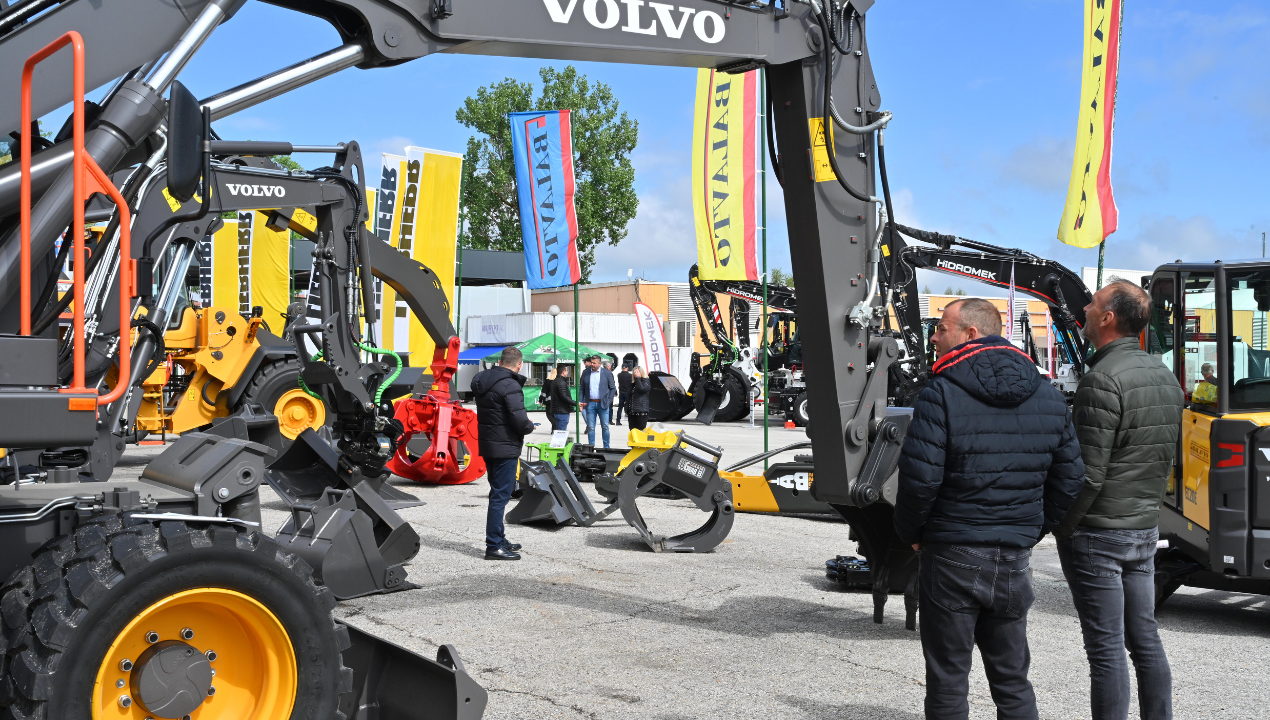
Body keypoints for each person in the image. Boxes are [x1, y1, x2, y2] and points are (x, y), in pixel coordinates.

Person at [894, 297, 1085, 720]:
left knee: (948, 679)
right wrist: (1029, 529)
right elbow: (1071, 478)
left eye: (942, 327)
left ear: (970, 334)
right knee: (1012, 679)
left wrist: (911, 534)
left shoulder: (939, 393)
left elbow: (919, 480)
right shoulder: (1049, 398)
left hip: (951, 553)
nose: (934, 336)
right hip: (1013, 557)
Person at [1055, 279, 1185, 720]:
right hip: (1143, 527)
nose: (1086, 310)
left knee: (1107, 648)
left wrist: (1062, 525)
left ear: (1108, 317)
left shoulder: (1102, 379)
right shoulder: (1165, 377)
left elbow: (1087, 475)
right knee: (1144, 638)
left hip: (1098, 533)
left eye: (1092, 304)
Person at [471, 347, 537, 561]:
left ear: (500, 361)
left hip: (489, 445)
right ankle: (494, 546)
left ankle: (499, 538)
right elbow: (519, 420)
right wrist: (529, 427)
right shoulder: (510, 385)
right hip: (505, 446)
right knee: (500, 496)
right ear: (519, 365)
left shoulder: (483, 380)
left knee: (497, 492)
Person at [578, 354, 616, 448]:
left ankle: (606, 448)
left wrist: (609, 401)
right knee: (591, 427)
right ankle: (591, 447)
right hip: (590, 403)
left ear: (599, 363)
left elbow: (612, 388)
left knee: (605, 427)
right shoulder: (586, 373)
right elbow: (582, 388)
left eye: (594, 363)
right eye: (591, 362)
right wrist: (580, 401)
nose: (592, 364)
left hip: (603, 404)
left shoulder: (606, 373)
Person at [548, 364, 574, 432]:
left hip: (557, 411)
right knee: (561, 434)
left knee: (559, 432)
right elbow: (564, 396)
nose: (567, 372)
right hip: (562, 411)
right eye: (567, 371)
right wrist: (575, 403)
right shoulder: (561, 382)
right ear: (563, 372)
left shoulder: (555, 381)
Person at [627, 365, 651, 430]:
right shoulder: (633, 384)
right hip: (632, 412)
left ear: (641, 372)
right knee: (632, 432)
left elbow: (642, 389)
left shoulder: (646, 381)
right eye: (634, 372)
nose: (636, 374)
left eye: (637, 372)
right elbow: (629, 396)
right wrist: (627, 409)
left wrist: (638, 378)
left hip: (641, 412)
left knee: (640, 432)